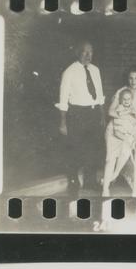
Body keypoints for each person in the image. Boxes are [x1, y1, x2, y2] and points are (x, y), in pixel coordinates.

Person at [56, 41, 105, 194]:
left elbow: (100, 94)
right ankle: (73, 181)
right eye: (84, 52)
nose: (88, 55)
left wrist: (101, 115)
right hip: (77, 114)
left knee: (92, 149)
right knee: (75, 149)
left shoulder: (96, 70)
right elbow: (63, 99)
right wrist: (63, 123)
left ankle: (90, 181)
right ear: (78, 52)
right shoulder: (69, 71)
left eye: (91, 52)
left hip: (94, 113)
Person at [100, 89, 136, 196]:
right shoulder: (119, 103)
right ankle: (105, 189)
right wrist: (129, 113)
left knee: (126, 152)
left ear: (131, 99)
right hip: (115, 131)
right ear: (121, 100)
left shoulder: (135, 99)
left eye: (128, 99)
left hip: (126, 130)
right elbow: (114, 114)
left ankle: (114, 175)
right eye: (124, 99)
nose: (126, 101)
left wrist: (135, 114)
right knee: (110, 159)